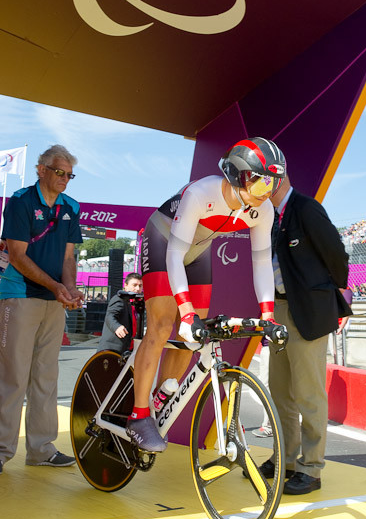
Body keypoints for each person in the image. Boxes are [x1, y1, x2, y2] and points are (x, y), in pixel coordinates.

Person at [127, 137, 287, 452]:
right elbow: (173, 256)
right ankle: (138, 414)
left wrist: (268, 315)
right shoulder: (202, 193)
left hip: (198, 252)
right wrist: (183, 311)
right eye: (261, 185)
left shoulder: (262, 209)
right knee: (162, 325)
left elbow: (261, 263)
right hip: (164, 242)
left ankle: (161, 393)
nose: (266, 194)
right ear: (239, 176)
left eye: (273, 185)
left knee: (194, 335)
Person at [0, 145, 83, 476]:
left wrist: (68, 289)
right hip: (20, 296)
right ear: (41, 170)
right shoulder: (22, 201)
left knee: (46, 376)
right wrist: (57, 287)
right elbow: (16, 255)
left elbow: (69, 258)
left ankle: (41, 449)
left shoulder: (71, 207)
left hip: (53, 302)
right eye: (59, 172)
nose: (65, 179)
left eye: (69, 174)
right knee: (12, 375)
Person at [263, 175, 351, 495]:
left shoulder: (306, 208)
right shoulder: (269, 215)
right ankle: (285, 459)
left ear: (279, 177)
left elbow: (336, 254)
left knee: (308, 392)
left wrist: (329, 293)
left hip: (308, 311)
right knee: (280, 391)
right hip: (279, 309)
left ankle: (311, 468)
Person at [99, 273, 144, 354]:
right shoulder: (119, 299)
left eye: (140, 286)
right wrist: (117, 327)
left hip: (130, 350)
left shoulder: (138, 304)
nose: (137, 288)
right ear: (125, 285)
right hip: (113, 349)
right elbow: (110, 316)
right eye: (134, 285)